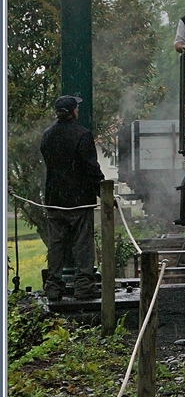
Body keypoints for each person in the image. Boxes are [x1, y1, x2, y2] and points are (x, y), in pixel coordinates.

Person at [40, 95, 105, 301]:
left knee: (56, 245)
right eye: (77, 108)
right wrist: (103, 191)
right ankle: (84, 286)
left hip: (55, 199)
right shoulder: (83, 135)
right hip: (79, 200)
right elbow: (91, 168)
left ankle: (53, 287)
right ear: (73, 112)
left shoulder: (47, 135)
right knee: (82, 244)